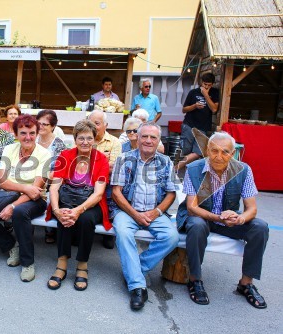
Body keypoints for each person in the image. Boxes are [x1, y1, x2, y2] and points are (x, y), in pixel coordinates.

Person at [176, 132, 269, 309]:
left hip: (229, 220)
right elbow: (192, 207)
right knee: (195, 224)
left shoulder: (243, 170)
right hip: (202, 217)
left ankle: (246, 283)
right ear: (207, 151)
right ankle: (195, 279)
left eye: (225, 152)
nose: (219, 156)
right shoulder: (194, 168)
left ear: (233, 153)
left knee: (260, 227)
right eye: (214, 151)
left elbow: (252, 209)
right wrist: (218, 218)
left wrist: (240, 219)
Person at [0, 114, 51, 282]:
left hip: (36, 201)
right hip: (11, 194)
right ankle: (11, 246)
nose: (28, 137)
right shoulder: (10, 149)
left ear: (37, 133)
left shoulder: (44, 154)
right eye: (23, 133)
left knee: (20, 213)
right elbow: (2, 181)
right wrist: (24, 187)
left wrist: (13, 206)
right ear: (16, 134)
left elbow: (36, 190)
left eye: (31, 133)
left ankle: (27, 263)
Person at [111, 122, 179, 310]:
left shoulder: (166, 161)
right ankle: (137, 287)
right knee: (123, 233)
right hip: (126, 211)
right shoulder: (124, 159)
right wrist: (135, 215)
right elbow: (116, 192)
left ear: (159, 141)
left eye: (153, 137)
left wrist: (156, 212)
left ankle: (133, 271)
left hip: (154, 212)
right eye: (145, 136)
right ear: (138, 138)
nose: (148, 140)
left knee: (172, 237)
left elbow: (171, 193)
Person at [46, 120, 110, 291]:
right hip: (67, 200)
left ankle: (82, 265)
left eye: (89, 138)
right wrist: (56, 209)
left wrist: (78, 210)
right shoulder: (65, 156)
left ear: (95, 140)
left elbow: (98, 194)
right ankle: (62, 264)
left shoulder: (101, 159)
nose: (85, 142)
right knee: (64, 215)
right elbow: (54, 187)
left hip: (91, 203)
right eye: (81, 138)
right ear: (75, 139)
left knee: (85, 219)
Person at [88, 110, 122, 249]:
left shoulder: (114, 142)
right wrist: (103, 159)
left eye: (97, 123)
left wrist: (90, 162)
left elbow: (113, 168)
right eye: (91, 123)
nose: (93, 126)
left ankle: (108, 233)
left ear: (105, 125)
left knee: (110, 192)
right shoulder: (83, 139)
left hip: (105, 181)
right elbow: (76, 163)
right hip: (85, 181)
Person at [36, 109, 67, 244]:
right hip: (31, 180)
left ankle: (50, 229)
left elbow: (59, 171)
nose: (40, 127)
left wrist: (40, 177)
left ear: (53, 126)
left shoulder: (58, 144)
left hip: (51, 183)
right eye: (38, 123)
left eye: (45, 124)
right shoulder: (32, 139)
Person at [179, 73, 219, 170]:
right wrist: (194, 106)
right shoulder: (193, 92)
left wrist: (206, 95)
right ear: (201, 82)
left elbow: (214, 109)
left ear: (212, 84)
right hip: (189, 124)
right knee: (186, 150)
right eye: (205, 84)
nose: (206, 87)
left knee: (198, 152)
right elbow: (184, 109)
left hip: (203, 127)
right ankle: (184, 170)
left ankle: (177, 167)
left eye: (209, 85)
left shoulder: (214, 93)